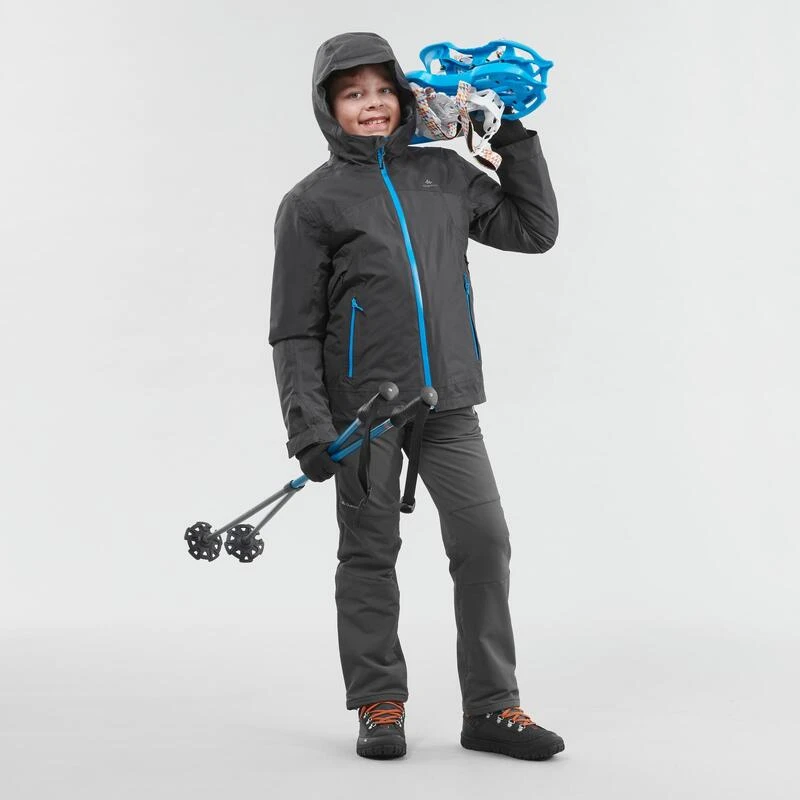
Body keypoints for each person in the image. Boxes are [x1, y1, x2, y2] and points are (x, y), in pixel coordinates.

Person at [269, 31, 564, 761]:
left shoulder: (445, 175)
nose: (371, 104)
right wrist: (308, 428)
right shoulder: (311, 204)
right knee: (369, 555)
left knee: (484, 542)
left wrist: (509, 135)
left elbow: (534, 231)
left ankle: (492, 708)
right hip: (363, 414)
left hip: (448, 401)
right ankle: (379, 703)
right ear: (329, 107)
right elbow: (294, 330)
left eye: (381, 90)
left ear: (403, 96)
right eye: (353, 94)